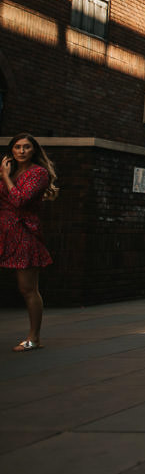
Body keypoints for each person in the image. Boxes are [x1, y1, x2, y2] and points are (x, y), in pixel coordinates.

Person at [1, 133, 58, 352]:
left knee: (27, 288)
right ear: (11, 150)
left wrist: (5, 177)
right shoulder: (9, 170)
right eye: (17, 147)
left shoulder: (38, 173)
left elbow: (20, 200)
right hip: (2, 231)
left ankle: (34, 338)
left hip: (23, 232)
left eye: (26, 147)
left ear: (33, 150)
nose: (21, 151)